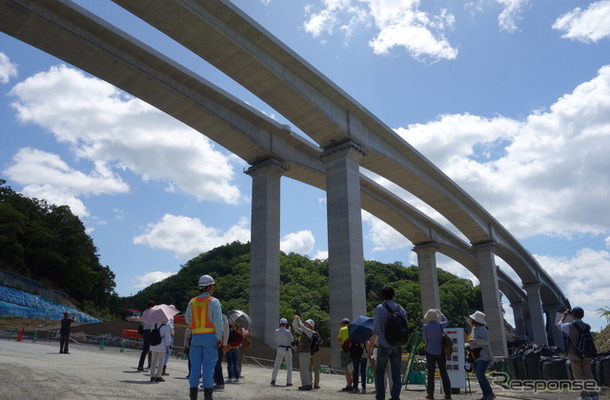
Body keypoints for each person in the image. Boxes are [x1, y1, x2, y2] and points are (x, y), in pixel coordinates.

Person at [185, 274, 224, 400]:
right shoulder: (213, 301)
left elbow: (187, 319)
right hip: (210, 338)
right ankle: (208, 397)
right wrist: (219, 337)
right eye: (212, 286)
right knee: (208, 367)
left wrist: (195, 326)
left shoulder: (192, 302)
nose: (213, 288)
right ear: (208, 287)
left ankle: (193, 397)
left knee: (195, 367)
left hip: (195, 337)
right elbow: (218, 321)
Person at [368, 286, 408, 400]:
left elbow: (376, 329)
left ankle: (380, 396)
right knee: (396, 373)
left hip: (384, 344)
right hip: (397, 345)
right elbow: (405, 325)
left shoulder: (380, 308)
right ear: (393, 296)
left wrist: (371, 348)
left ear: (382, 296)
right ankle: (395, 397)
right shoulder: (400, 308)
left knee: (380, 371)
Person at [556, 307, 599, 400]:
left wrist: (563, 317)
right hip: (587, 353)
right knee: (588, 374)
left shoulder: (570, 326)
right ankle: (594, 395)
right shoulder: (588, 326)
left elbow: (559, 325)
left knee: (578, 375)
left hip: (574, 353)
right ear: (583, 315)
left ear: (573, 315)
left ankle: (585, 396)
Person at [422, 309, 452, 399]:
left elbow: (424, 339)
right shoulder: (440, 325)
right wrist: (442, 314)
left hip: (429, 351)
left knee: (431, 373)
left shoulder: (425, 327)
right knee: (444, 373)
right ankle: (448, 394)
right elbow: (447, 322)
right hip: (441, 352)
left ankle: (430, 394)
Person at [466, 311, 495, 400]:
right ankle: (486, 394)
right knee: (479, 375)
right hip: (476, 355)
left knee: (480, 374)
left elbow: (486, 341)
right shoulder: (474, 329)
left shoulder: (482, 329)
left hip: (483, 355)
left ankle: (489, 393)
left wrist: (474, 341)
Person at [292, 315, 315, 391]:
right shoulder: (304, 332)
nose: (305, 323)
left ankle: (306, 385)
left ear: (311, 326)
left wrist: (299, 320)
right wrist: (295, 320)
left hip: (306, 352)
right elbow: (295, 327)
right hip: (303, 351)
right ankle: (307, 384)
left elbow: (302, 327)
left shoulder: (310, 332)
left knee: (304, 369)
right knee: (304, 368)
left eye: (307, 323)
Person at [271, 317, 294, 387]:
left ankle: (273, 379)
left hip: (279, 348)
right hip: (287, 349)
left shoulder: (276, 331)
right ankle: (288, 382)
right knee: (289, 366)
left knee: (276, 365)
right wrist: (289, 330)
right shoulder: (288, 331)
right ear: (286, 324)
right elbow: (292, 339)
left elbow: (275, 339)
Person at [137, 300, 155, 371]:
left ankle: (141, 365)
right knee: (148, 349)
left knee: (145, 349)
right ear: (151, 306)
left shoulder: (144, 312)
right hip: (149, 331)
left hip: (145, 331)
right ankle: (142, 366)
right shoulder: (151, 312)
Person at [213, 314, 230, 390]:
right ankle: (215, 380)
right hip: (212, 342)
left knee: (217, 363)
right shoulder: (212, 316)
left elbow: (226, 330)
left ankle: (220, 383)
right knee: (213, 363)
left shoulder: (223, 317)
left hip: (219, 342)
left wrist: (225, 344)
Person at [338, 317, 354, 391]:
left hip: (344, 351)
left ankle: (349, 385)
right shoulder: (353, 329)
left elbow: (339, 339)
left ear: (343, 323)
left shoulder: (342, 329)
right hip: (353, 350)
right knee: (352, 368)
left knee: (347, 369)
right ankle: (355, 384)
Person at [162, 305, 177, 376]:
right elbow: (170, 326)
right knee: (167, 353)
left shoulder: (165, 315)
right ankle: (163, 369)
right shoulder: (171, 317)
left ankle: (161, 368)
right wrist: (172, 332)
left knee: (164, 352)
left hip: (164, 336)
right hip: (169, 336)